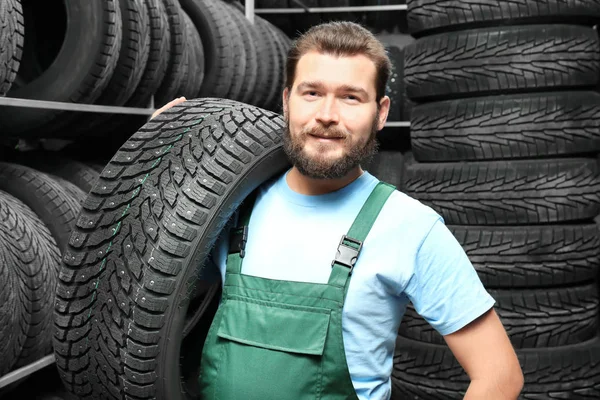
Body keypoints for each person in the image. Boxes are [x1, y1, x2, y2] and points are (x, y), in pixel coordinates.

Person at [153, 21, 524, 400]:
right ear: (287, 101)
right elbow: (147, 294)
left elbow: (499, 376)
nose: (327, 114)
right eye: (311, 93)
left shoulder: (410, 226)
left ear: (380, 113)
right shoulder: (229, 205)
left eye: (350, 97)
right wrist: (156, 165)